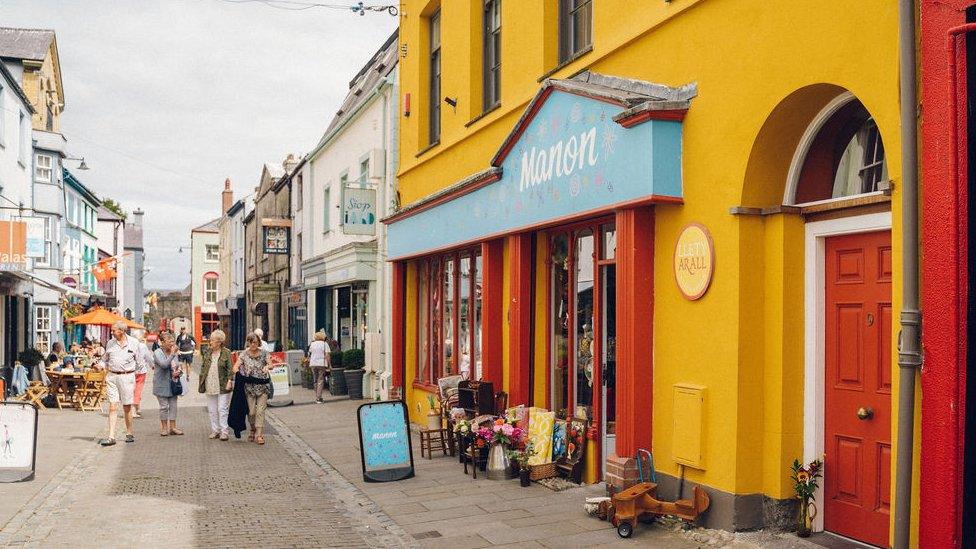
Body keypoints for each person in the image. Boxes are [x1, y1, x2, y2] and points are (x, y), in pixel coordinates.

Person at [99, 321, 145, 447]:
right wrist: (100, 365)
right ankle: (111, 436)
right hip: (112, 376)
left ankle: (129, 432)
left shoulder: (134, 343)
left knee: (126, 407)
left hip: (127, 377)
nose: (112, 332)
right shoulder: (110, 343)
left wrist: (134, 377)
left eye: (114, 330)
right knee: (112, 406)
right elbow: (105, 360)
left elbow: (140, 362)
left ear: (122, 331)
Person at [230, 333, 273, 445]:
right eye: (250, 342)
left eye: (255, 342)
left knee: (260, 411)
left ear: (258, 342)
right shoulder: (244, 354)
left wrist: (267, 367)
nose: (253, 344)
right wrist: (239, 372)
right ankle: (252, 428)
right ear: (247, 343)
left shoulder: (264, 353)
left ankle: (259, 434)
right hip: (249, 387)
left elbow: (271, 365)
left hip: (263, 385)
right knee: (251, 412)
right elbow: (235, 367)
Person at [199, 329, 233, 440]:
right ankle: (215, 430)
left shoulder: (226, 352)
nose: (210, 342)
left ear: (219, 342)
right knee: (212, 409)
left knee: (222, 409)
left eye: (213, 340)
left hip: (223, 384)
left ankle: (224, 431)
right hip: (210, 383)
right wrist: (201, 381)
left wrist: (230, 380)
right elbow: (203, 367)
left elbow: (230, 368)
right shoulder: (207, 352)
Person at [152, 332, 183, 437]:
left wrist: (179, 371)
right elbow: (164, 365)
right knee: (164, 407)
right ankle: (164, 428)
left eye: (172, 341)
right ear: (162, 342)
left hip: (173, 383)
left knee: (173, 406)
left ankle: (173, 428)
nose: (172, 344)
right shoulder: (157, 352)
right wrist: (173, 354)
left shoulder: (173, 353)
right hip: (161, 384)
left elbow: (177, 365)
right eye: (169, 342)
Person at [307, 331, 331, 403]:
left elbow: (309, 354)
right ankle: (319, 398)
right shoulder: (324, 344)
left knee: (315, 380)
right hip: (321, 364)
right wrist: (329, 365)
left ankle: (317, 396)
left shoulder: (312, 344)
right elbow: (327, 355)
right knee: (320, 380)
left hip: (313, 364)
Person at [133, 336, 154, 418]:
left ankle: (137, 407)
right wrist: (152, 365)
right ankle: (134, 409)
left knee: (132, 390)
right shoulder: (143, 346)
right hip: (141, 371)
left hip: (130, 371)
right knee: (138, 389)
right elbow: (148, 357)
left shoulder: (129, 345)